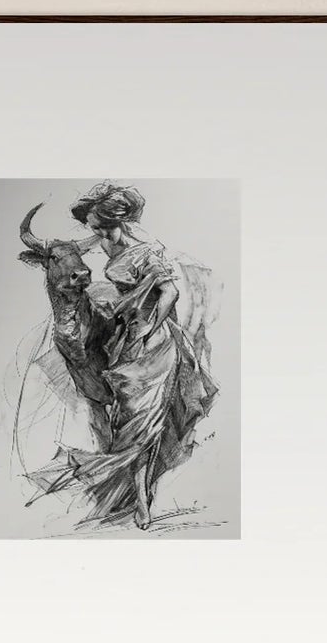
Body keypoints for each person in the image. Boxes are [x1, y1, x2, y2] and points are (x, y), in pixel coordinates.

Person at [17, 182, 219, 532]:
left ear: (118, 222)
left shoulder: (145, 251)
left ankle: (142, 501)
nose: (96, 233)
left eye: (101, 227)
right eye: (93, 228)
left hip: (154, 344)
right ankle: (129, 494)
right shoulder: (111, 250)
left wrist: (149, 327)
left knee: (145, 425)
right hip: (128, 338)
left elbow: (169, 291)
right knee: (125, 423)